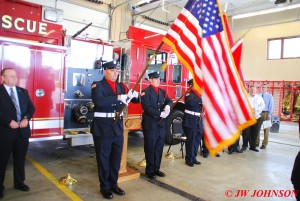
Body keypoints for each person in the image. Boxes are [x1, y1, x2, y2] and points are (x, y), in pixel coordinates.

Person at [91, 61, 139, 199]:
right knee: (103, 158)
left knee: (115, 159)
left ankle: (113, 184)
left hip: (117, 127)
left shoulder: (121, 86)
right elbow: (99, 101)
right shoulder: (97, 85)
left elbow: (135, 100)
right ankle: (104, 187)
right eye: (112, 70)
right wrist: (119, 97)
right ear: (105, 71)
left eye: (116, 70)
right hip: (103, 127)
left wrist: (135, 95)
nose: (115, 72)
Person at [0, 68, 35, 199]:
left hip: (22, 133)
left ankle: (19, 183)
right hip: (5, 133)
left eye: (15, 76)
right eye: (10, 76)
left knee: (20, 160)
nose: (14, 79)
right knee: (2, 161)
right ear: (2, 78)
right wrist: (8, 121)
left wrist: (26, 118)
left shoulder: (22, 91)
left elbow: (31, 108)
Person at [141, 71, 172, 179]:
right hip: (151, 124)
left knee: (159, 147)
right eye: (156, 79)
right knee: (150, 147)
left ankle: (156, 168)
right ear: (150, 80)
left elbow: (170, 100)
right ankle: (149, 170)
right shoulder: (145, 92)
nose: (158, 80)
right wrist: (160, 113)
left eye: (159, 79)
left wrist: (168, 105)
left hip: (161, 125)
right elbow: (147, 108)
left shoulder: (162, 92)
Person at [182, 79, 203, 166]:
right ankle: (189, 159)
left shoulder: (198, 94)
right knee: (191, 140)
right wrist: (201, 99)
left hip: (198, 119)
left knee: (197, 139)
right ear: (191, 85)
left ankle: (193, 157)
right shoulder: (189, 93)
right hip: (190, 120)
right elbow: (190, 103)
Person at [242, 85, 265, 152]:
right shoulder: (245, 96)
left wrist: (256, 109)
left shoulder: (259, 97)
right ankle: (244, 146)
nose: (252, 91)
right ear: (249, 90)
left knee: (255, 132)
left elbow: (263, 105)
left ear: (256, 90)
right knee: (246, 132)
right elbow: (243, 105)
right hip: (247, 117)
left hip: (256, 117)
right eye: (251, 90)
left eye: (254, 90)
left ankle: (252, 146)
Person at [256, 83, 274, 149]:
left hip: (266, 113)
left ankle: (264, 144)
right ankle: (256, 142)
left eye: (265, 87)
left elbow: (271, 106)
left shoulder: (270, 96)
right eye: (262, 87)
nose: (263, 88)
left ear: (267, 88)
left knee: (266, 130)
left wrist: (269, 115)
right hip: (259, 113)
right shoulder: (258, 96)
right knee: (257, 128)